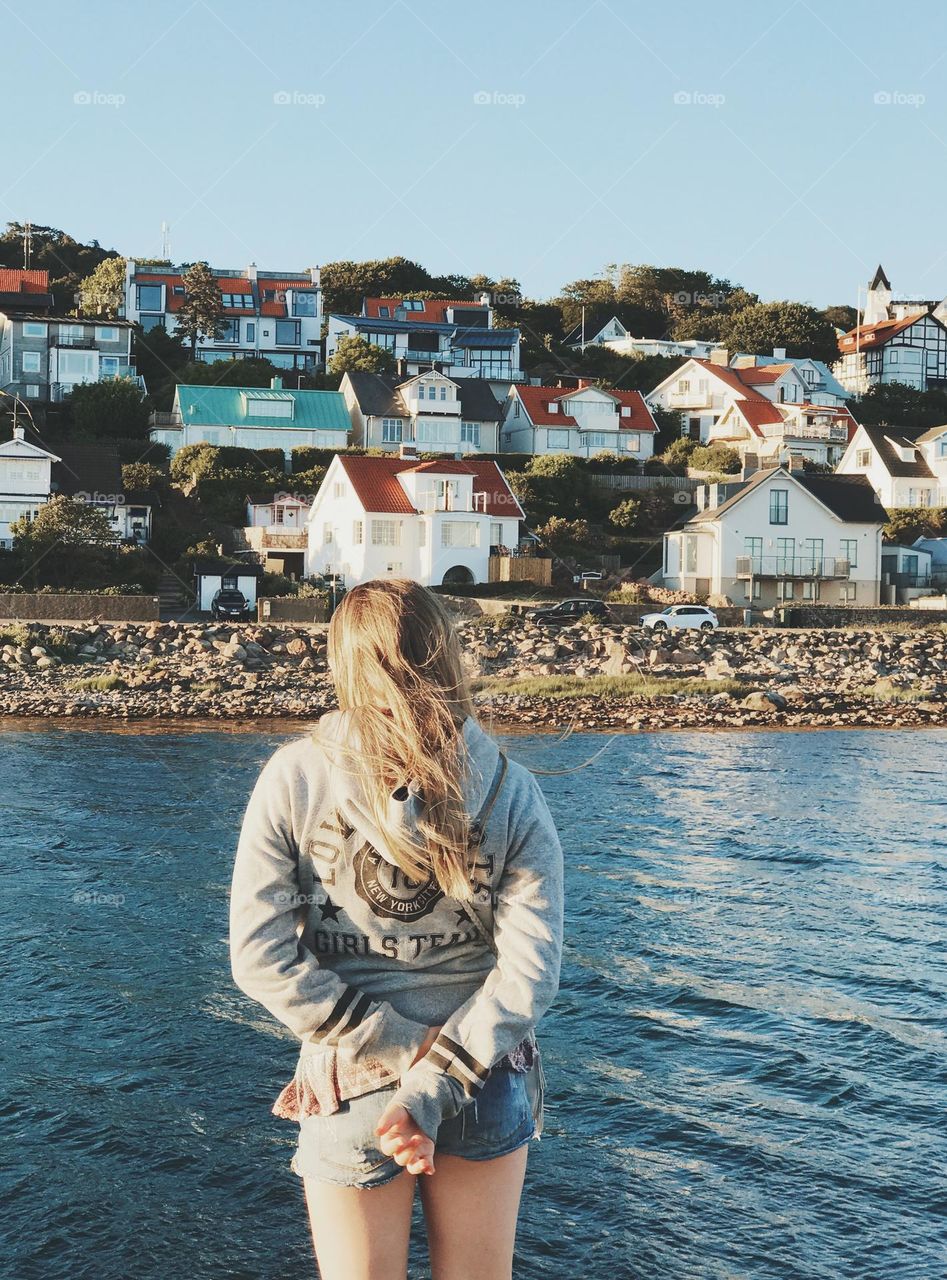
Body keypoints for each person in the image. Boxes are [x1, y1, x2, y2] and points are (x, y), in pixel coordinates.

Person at [229, 579, 565, 1280]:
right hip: (480, 1071)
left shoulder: (293, 778)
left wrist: (398, 1051)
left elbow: (259, 958)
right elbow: (529, 975)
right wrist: (437, 1074)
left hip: (352, 1077)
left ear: (343, 662)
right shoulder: (511, 788)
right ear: (444, 652)